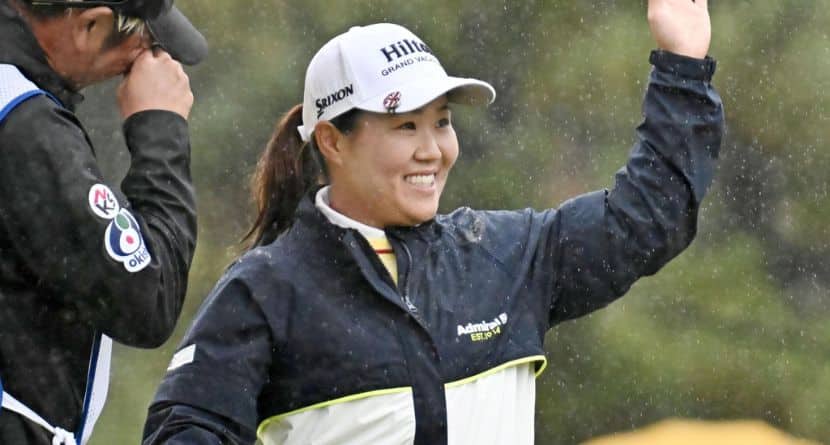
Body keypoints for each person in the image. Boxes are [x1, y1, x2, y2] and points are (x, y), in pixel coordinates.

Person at [143, 0, 722, 444]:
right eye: (406, 126)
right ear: (332, 141)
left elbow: (649, 216)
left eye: (441, 122)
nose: (433, 150)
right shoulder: (266, 291)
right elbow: (183, 430)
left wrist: (682, 66)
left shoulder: (505, 255)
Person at [0, 0, 207, 444]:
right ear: (90, 24)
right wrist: (160, 127)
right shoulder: (21, 122)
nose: (148, 53)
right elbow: (147, 298)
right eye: (144, 35)